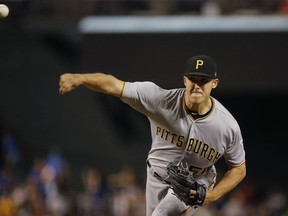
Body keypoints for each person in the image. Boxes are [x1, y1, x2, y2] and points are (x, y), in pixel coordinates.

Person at [59, 54, 246, 216]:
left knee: (160, 214)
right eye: (193, 79)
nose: (197, 85)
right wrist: (79, 78)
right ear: (184, 80)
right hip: (156, 175)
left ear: (214, 83)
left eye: (203, 80)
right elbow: (113, 86)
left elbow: (239, 168)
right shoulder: (160, 100)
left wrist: (212, 195)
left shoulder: (227, 126)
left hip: (194, 184)